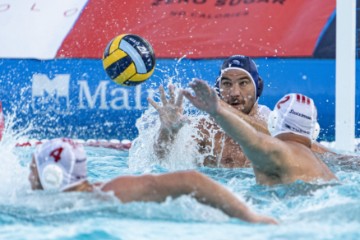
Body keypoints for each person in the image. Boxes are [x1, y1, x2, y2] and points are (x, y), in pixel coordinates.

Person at [28, 138, 277, 224]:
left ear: (53, 175)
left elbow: (191, 180)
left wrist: (249, 218)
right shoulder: (55, 203)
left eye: (34, 168)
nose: (28, 176)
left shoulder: (111, 193)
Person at [182, 79, 338, 185]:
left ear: (273, 121)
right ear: (314, 130)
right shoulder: (325, 169)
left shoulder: (279, 152)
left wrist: (217, 112)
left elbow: (253, 139)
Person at [148, 55, 271, 168]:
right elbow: (160, 162)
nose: (234, 93)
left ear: (257, 87)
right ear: (218, 88)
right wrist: (167, 131)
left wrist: (222, 108)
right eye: (227, 84)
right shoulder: (207, 129)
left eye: (243, 83)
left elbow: (270, 135)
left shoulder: (271, 120)